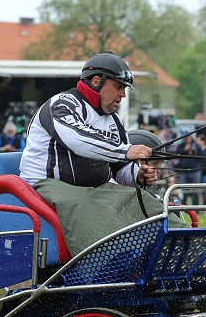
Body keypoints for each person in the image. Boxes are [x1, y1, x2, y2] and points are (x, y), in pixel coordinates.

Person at [18, 51, 178, 256]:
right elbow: (77, 139)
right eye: (118, 87)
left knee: (143, 199)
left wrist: (137, 174)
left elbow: (119, 171)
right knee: (93, 206)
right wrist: (125, 150)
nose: (123, 94)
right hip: (47, 185)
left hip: (94, 189)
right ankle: (112, 263)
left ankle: (183, 245)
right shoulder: (62, 104)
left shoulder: (115, 121)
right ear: (96, 81)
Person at [173, 134, 205, 205]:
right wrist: (184, 150)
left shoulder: (196, 145)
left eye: (187, 138)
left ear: (191, 137)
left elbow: (203, 156)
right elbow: (175, 155)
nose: (186, 139)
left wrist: (195, 154)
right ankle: (184, 207)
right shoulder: (181, 146)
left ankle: (196, 208)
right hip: (183, 171)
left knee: (195, 191)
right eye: (185, 138)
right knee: (184, 191)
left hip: (195, 171)